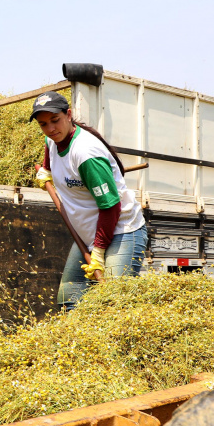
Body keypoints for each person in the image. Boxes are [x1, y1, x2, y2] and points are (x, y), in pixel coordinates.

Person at [30, 91, 146, 309]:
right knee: (70, 298)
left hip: (122, 231)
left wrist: (98, 252)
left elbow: (111, 207)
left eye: (55, 120)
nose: (51, 129)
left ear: (69, 115)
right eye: (43, 124)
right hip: (90, 233)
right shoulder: (52, 138)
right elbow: (49, 144)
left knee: (113, 303)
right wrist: (46, 169)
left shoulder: (86, 155)